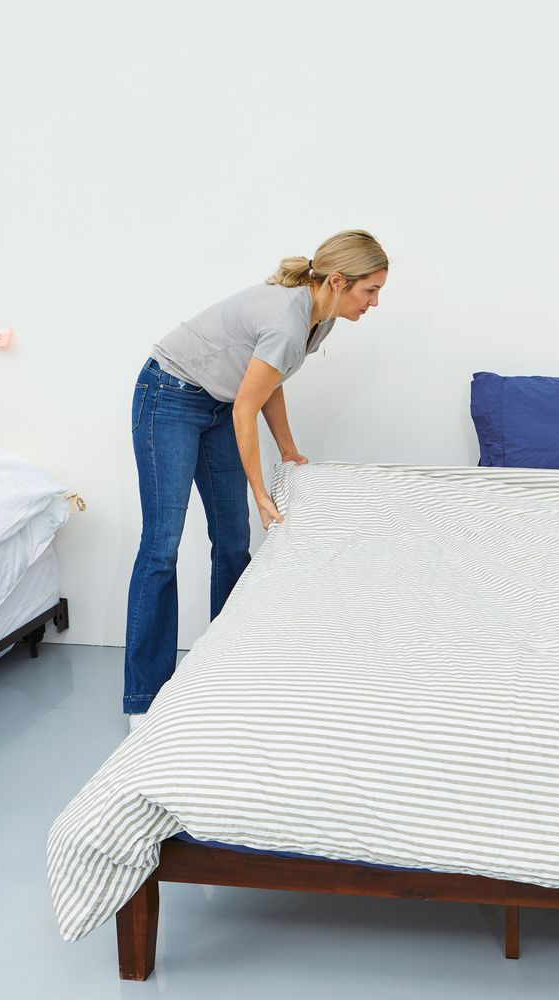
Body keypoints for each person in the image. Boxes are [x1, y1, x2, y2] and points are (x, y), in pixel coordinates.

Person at [123, 229, 389, 728]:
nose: (374, 303)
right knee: (161, 546)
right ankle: (143, 698)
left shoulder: (320, 320)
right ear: (337, 281)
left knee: (231, 541)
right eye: (369, 291)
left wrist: (289, 452)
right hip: (168, 396)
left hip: (217, 402)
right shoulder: (289, 321)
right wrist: (261, 492)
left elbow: (267, 386)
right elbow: (247, 407)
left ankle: (225, 672)